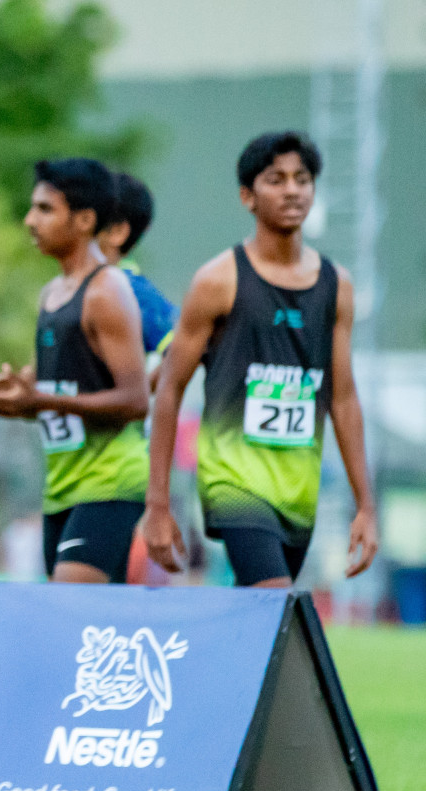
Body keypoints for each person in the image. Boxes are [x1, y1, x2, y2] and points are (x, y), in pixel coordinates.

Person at [143, 131, 378, 588]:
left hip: (297, 486)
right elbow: (170, 389)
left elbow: (344, 399)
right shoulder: (217, 280)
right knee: (275, 595)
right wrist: (158, 504)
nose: (292, 189)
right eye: (276, 179)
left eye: (302, 179)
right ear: (248, 197)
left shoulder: (337, 286)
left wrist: (365, 506)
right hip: (233, 479)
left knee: (265, 621)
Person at [0, 158, 149, 583]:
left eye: (44, 209)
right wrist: (15, 398)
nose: (29, 220)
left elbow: (135, 400)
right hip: (61, 487)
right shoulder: (51, 294)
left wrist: (39, 400)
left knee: (67, 615)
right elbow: (56, 385)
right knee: (89, 630)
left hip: (109, 482)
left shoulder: (107, 291)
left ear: (84, 220)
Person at [97, 172, 177, 358]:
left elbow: (181, 352)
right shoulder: (63, 288)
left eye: (86, 216)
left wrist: (142, 385)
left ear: (116, 231)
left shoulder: (134, 293)